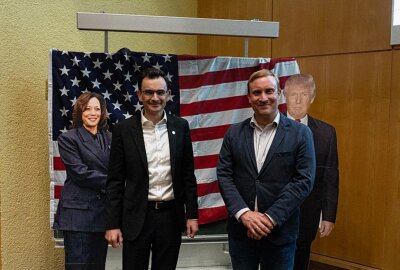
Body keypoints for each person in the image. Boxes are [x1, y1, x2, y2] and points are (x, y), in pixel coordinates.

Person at [217, 69, 316, 270]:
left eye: (269, 91)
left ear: (279, 93)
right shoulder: (234, 133)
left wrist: (269, 219)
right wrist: (244, 214)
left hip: (280, 233)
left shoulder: (301, 133)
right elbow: (224, 175)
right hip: (241, 232)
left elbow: (304, 180)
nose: (263, 98)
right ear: (249, 97)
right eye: (257, 92)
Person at [105, 67, 199, 270]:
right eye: (149, 92)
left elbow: (187, 176)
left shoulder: (181, 127)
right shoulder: (123, 130)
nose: (155, 98)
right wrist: (112, 224)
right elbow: (115, 181)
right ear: (139, 95)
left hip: (170, 217)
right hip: (136, 217)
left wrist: (192, 214)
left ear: (168, 95)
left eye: (160, 92)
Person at [284, 74, 339, 270]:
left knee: (301, 258)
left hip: (308, 212)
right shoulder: (269, 127)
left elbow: (330, 177)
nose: (298, 101)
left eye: (304, 95)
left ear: (312, 98)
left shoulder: (326, 133)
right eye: (293, 95)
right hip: (273, 212)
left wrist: (328, 215)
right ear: (284, 96)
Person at [53, 92, 111, 270]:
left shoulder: (111, 137)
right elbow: (81, 173)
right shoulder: (68, 138)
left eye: (97, 109)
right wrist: (115, 182)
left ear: (102, 113)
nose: (92, 113)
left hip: (102, 214)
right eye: (87, 109)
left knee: (97, 266)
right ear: (79, 111)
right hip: (78, 215)